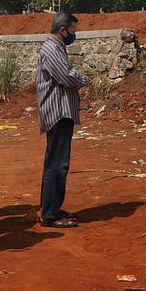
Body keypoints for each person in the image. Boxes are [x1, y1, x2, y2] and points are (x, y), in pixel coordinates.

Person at [36, 11, 89, 229]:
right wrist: (83, 79)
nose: (73, 35)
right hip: (58, 112)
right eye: (72, 31)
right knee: (58, 164)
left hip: (60, 111)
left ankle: (50, 207)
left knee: (55, 162)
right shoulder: (52, 49)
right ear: (63, 29)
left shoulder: (57, 48)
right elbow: (66, 76)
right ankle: (50, 213)